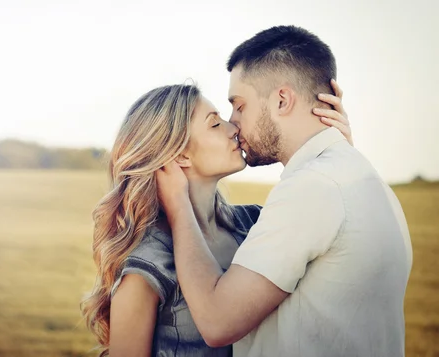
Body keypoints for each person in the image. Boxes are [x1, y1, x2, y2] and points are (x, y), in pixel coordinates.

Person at [155, 26, 413, 357]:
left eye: (240, 106)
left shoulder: (314, 186)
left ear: (281, 100)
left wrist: (178, 206)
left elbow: (217, 322)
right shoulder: (358, 175)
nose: (234, 123)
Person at [81, 78, 351, 355]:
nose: (234, 128)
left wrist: (335, 147)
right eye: (214, 123)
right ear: (181, 155)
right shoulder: (147, 263)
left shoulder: (256, 223)